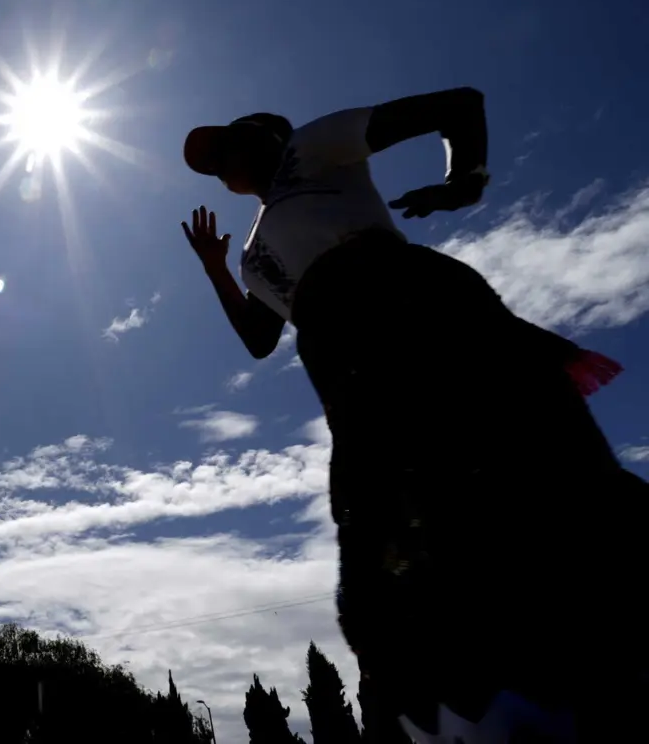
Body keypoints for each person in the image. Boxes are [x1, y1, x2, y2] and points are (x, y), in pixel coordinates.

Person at [180, 88, 647, 742]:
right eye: (215, 163)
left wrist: (466, 180)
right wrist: (213, 269)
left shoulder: (311, 149)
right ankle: (464, 699)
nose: (222, 165)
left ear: (266, 135)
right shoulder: (255, 255)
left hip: (416, 305)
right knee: (390, 520)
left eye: (227, 146)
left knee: (534, 465)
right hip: (346, 366)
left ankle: (606, 632)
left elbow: (458, 106)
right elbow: (259, 340)